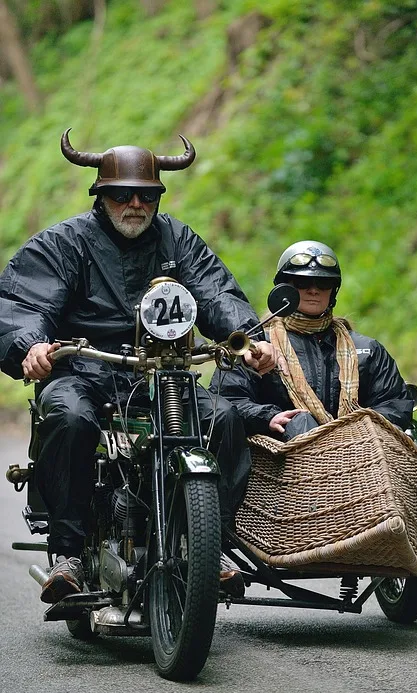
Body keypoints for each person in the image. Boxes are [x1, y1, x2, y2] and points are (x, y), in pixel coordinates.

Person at [0, 129, 280, 602]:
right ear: (101, 195)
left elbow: (216, 292)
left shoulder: (177, 239)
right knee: (67, 416)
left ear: (157, 197)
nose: (134, 204)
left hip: (161, 372)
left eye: (145, 195)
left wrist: (249, 337)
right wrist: (31, 344)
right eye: (121, 195)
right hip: (86, 369)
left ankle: (213, 542)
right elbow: (24, 300)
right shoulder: (65, 243)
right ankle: (68, 551)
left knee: (224, 419)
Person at [209, 240, 414, 443]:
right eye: (302, 282)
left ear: (333, 291)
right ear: (284, 288)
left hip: (358, 456)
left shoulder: (369, 350)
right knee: (301, 421)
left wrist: (356, 430)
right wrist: (268, 418)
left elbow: (394, 403)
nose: (313, 290)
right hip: (275, 458)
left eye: (323, 283)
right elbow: (227, 400)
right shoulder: (254, 345)